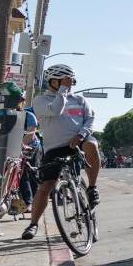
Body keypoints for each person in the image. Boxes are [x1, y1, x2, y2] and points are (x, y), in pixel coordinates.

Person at [20, 65, 102, 240]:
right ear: (53, 82)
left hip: (78, 143)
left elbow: (90, 119)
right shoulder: (40, 101)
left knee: (92, 146)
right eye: (65, 81)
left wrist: (81, 135)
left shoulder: (80, 100)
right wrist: (62, 91)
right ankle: (33, 224)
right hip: (54, 148)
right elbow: (56, 109)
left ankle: (92, 188)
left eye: (71, 81)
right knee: (45, 187)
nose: (69, 85)